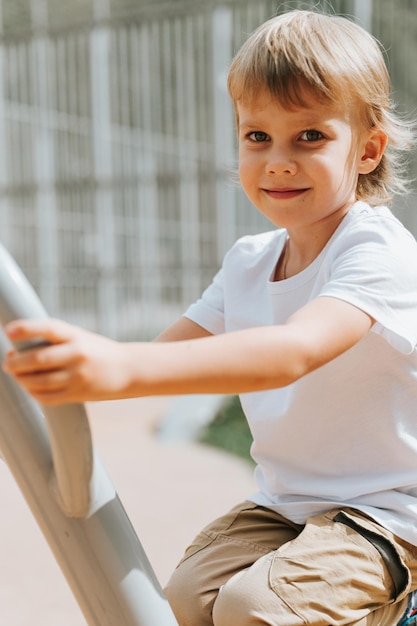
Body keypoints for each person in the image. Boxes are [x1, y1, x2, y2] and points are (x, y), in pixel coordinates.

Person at [3, 8, 417, 626]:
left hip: (389, 517)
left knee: (256, 609)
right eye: (258, 137)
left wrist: (117, 366)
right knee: (185, 601)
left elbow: (292, 352)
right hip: (286, 505)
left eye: (310, 137)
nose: (278, 160)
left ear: (368, 150)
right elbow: (170, 359)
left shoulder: (375, 253)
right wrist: (75, 375)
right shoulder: (250, 261)